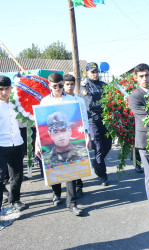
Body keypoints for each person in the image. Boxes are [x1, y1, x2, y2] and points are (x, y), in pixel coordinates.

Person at [35, 73, 90, 216]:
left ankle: (72, 204)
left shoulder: (71, 100)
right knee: (53, 167)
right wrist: (37, 143)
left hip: (69, 139)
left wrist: (87, 135)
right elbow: (39, 126)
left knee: (71, 170)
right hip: (50, 141)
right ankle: (56, 193)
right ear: (49, 86)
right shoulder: (45, 102)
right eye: (55, 86)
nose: (59, 88)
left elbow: (82, 119)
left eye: (61, 85)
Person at [128, 63, 149, 227]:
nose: (145, 79)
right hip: (146, 141)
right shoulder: (135, 96)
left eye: (147, 75)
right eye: (141, 76)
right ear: (136, 78)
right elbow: (146, 119)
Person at [80, 62, 112, 186]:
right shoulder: (85, 87)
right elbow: (90, 104)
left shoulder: (103, 85)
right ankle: (103, 175)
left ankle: (96, 163)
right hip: (93, 120)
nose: (95, 74)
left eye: (96, 71)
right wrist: (106, 104)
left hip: (105, 120)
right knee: (98, 147)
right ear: (87, 73)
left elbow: (111, 99)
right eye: (92, 72)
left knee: (107, 145)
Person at [0, 76, 28, 212]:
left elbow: (23, 122)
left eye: (7, 89)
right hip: (1, 145)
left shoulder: (15, 104)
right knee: (0, 177)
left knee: (17, 175)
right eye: (1, 89)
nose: (4, 92)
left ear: (11, 88)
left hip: (17, 143)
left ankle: (15, 199)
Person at [63, 74, 91, 198]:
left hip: (78, 133)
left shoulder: (79, 100)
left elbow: (84, 118)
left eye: (72, 84)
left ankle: (79, 186)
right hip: (64, 134)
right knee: (66, 161)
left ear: (75, 85)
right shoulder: (60, 100)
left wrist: (87, 134)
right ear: (63, 85)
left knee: (78, 160)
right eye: (67, 84)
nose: (69, 86)